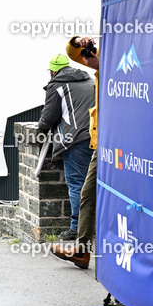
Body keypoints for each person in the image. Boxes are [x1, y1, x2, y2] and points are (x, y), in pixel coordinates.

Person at [52, 36, 100, 269]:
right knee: (87, 194)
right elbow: (74, 54)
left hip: (122, 140)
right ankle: (81, 251)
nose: (89, 59)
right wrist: (77, 42)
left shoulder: (123, 62)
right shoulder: (100, 67)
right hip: (100, 141)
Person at [36, 53, 93, 246]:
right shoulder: (89, 80)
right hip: (98, 136)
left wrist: (40, 128)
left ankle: (77, 228)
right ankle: (95, 226)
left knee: (77, 184)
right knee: (94, 185)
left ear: (53, 71)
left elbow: (48, 118)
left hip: (75, 140)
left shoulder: (56, 85)